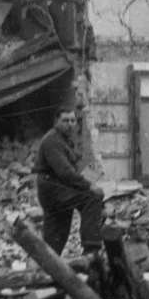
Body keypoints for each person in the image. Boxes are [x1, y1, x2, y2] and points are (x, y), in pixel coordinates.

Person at [34, 108, 104, 256]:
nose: (70, 124)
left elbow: (75, 164)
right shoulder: (52, 140)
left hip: (57, 187)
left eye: (72, 120)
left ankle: (46, 262)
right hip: (52, 188)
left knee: (57, 232)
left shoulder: (65, 140)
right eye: (65, 121)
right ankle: (92, 250)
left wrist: (92, 173)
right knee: (92, 197)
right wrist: (89, 185)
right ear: (56, 122)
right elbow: (65, 172)